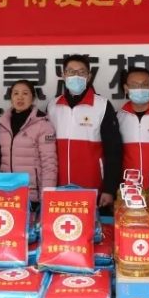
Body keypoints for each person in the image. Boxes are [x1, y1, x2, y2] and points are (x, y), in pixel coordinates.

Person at [46, 54, 122, 208]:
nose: (76, 76)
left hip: (93, 186)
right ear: (63, 75)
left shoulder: (102, 105)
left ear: (89, 76)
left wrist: (109, 189)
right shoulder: (53, 106)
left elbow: (113, 151)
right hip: (58, 185)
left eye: (81, 72)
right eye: (71, 72)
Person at [0, 79, 58, 204]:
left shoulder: (43, 125)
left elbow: (49, 164)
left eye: (25, 93)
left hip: (32, 196)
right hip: (6, 193)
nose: (20, 97)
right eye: (16, 93)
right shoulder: (1, 124)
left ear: (33, 98)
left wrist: (46, 197)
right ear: (11, 98)